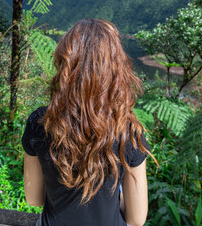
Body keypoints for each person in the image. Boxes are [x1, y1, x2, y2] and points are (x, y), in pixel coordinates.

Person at [22, 19, 153, 226]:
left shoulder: (40, 122)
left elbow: (34, 199)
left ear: (65, 65)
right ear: (116, 69)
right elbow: (136, 219)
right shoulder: (128, 130)